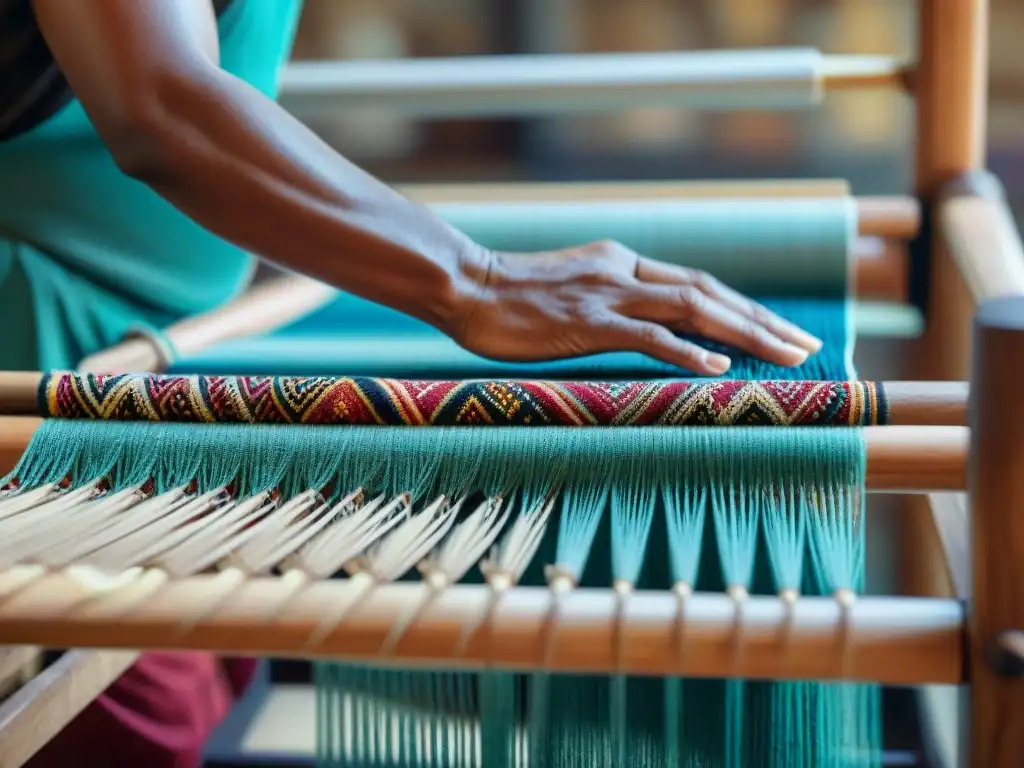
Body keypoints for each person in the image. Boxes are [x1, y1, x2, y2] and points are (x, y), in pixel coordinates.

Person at [0, 1, 822, 765]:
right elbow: (161, 103)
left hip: (158, 370)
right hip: (43, 381)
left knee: (188, 684)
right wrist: (476, 280)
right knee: (124, 718)